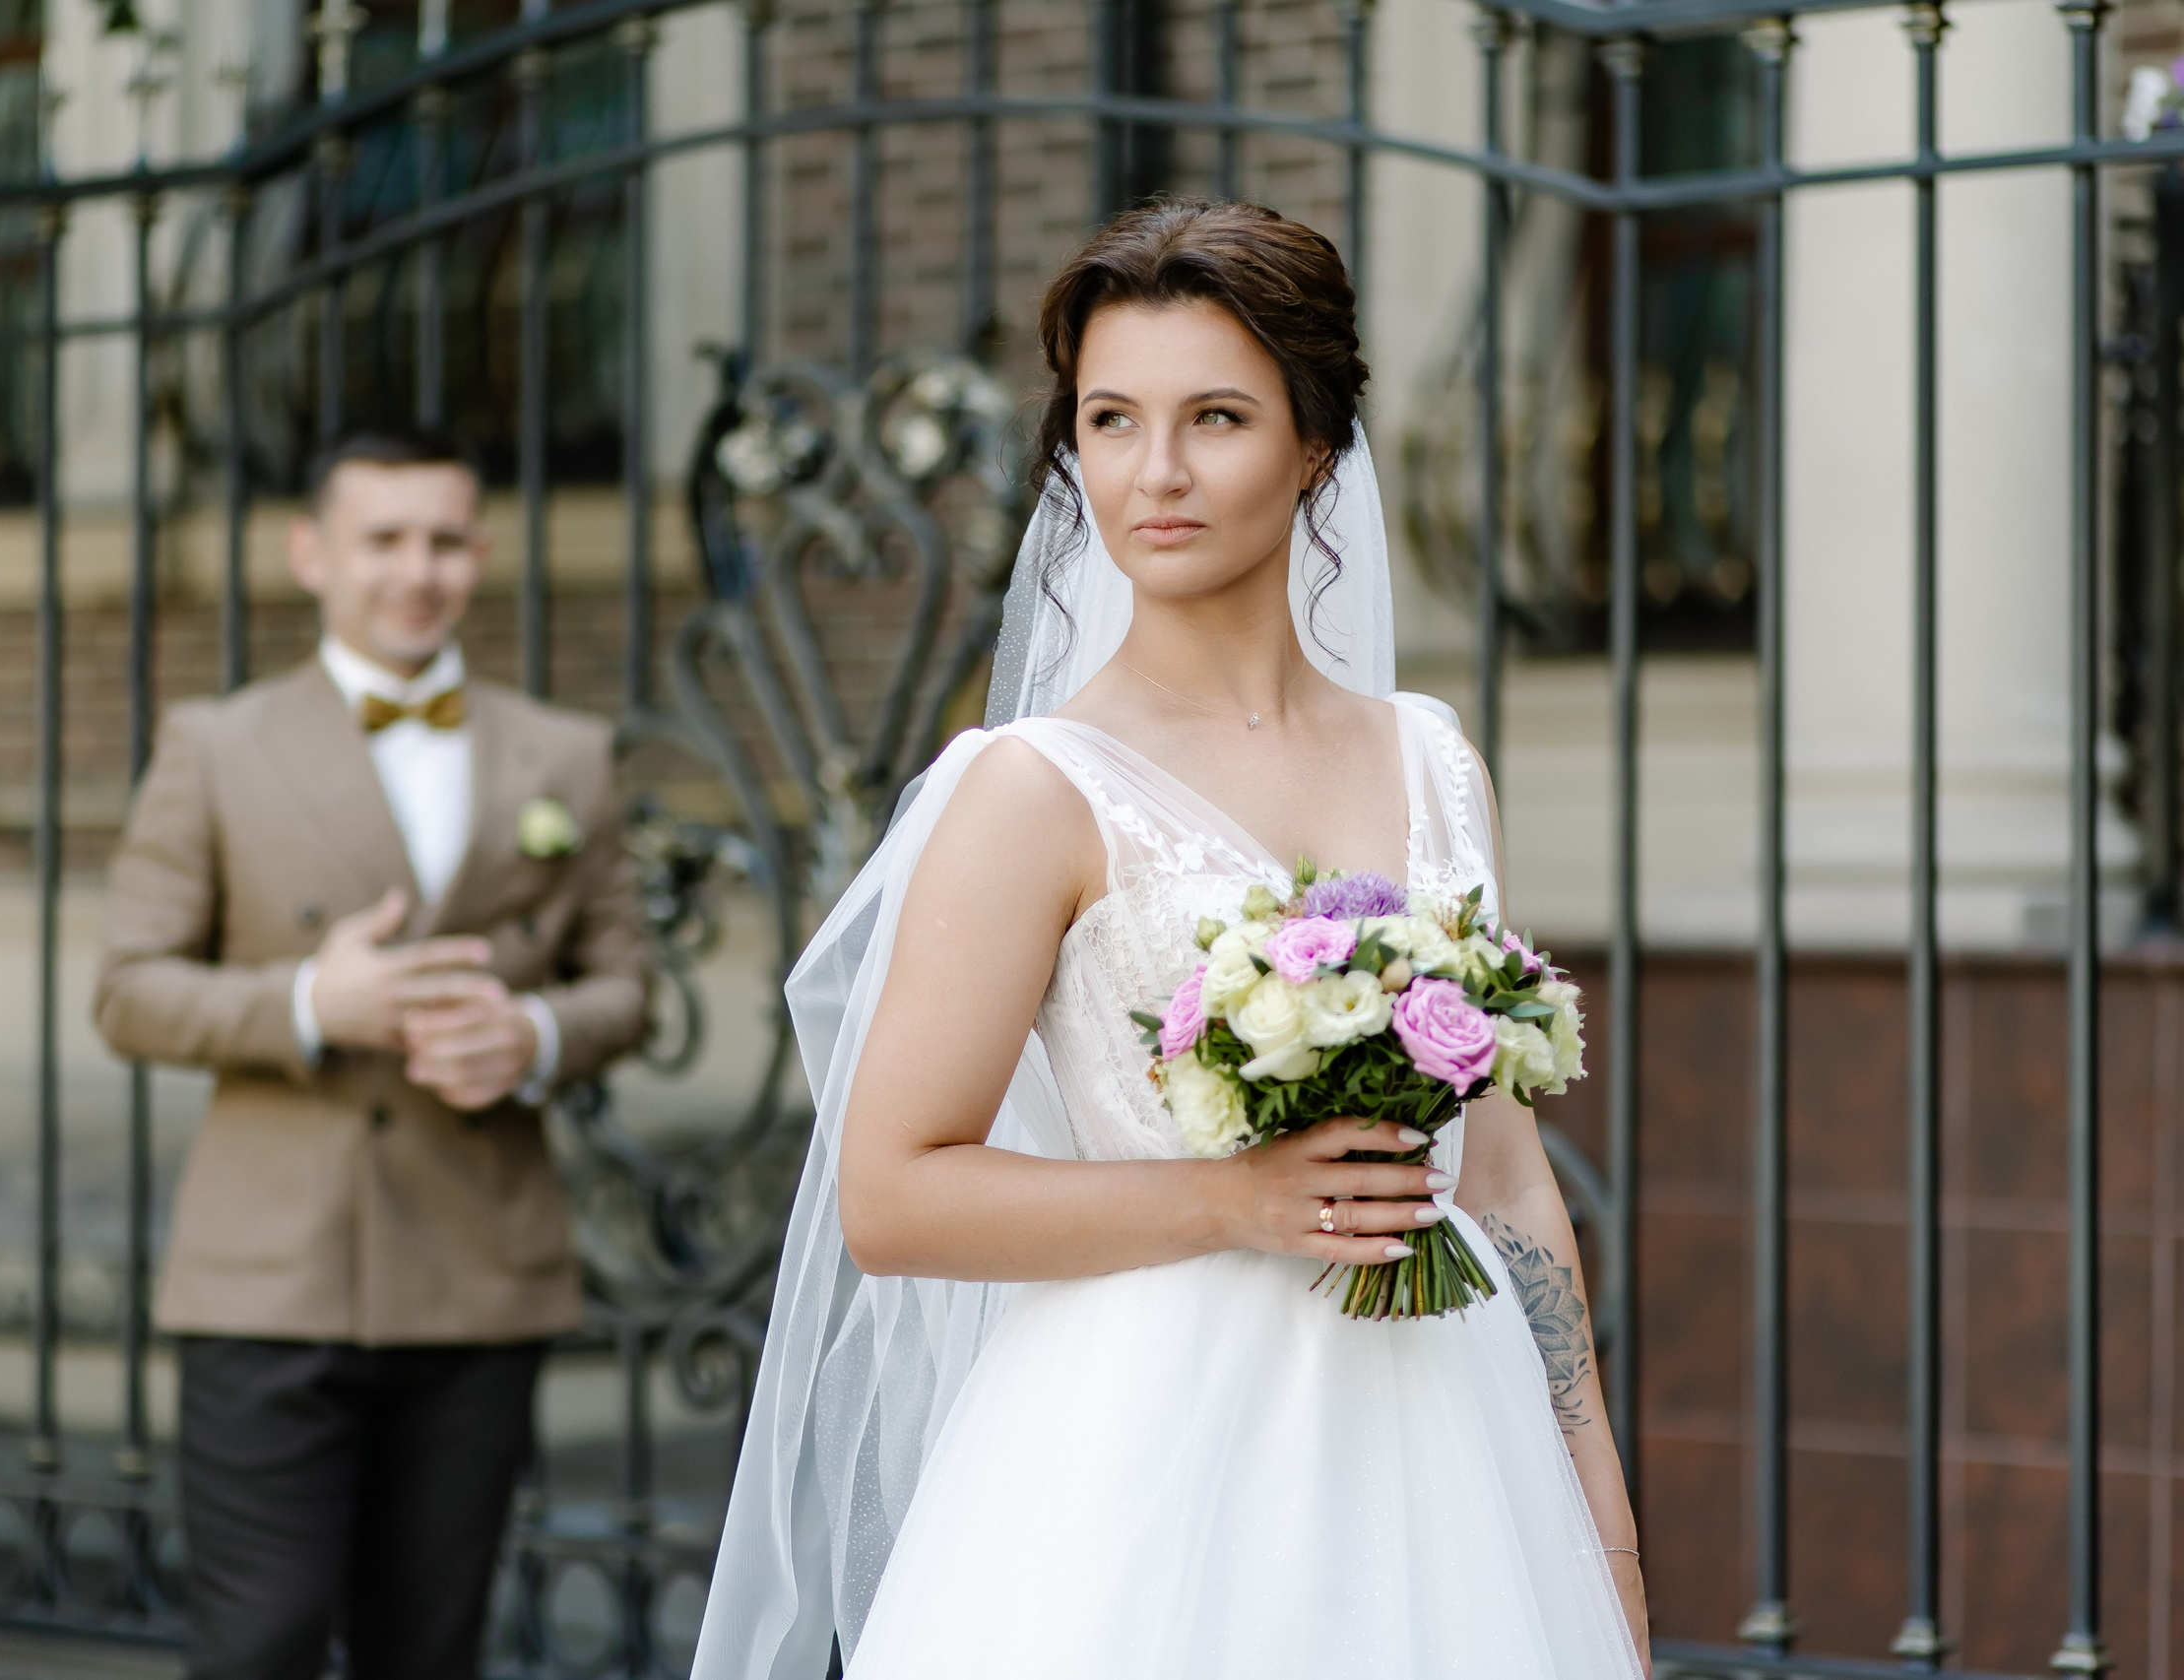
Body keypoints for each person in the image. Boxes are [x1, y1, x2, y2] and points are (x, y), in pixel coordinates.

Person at [693, 201, 1650, 1680]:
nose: (1157, 472)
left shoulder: (1435, 759)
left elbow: (1507, 1168)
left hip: (1447, 1446)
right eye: (1111, 420)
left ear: (1317, 442)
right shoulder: (1030, 788)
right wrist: (1237, 1199)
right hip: (1139, 1456)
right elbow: (891, 1193)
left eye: (1216, 416)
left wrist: (1593, 1490)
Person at [94, 428, 650, 1680]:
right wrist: (308, 1000)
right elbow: (126, 992)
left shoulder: (562, 753)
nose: (417, 569)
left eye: (445, 540)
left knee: (430, 1649)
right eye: (383, 540)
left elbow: (627, 986)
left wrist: (534, 1035)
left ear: (480, 552)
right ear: (311, 554)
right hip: (268, 1282)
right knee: (259, 1644)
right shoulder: (217, 746)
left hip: (479, 1271)